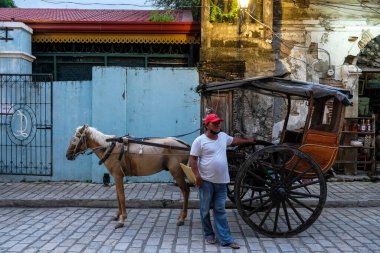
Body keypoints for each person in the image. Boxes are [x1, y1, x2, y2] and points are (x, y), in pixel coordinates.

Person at [189, 113, 255, 249]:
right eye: (214, 123)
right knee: (205, 209)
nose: (218, 125)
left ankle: (226, 239)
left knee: (220, 210)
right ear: (207, 125)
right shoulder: (199, 141)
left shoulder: (223, 137)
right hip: (206, 182)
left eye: (219, 122)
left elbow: (235, 141)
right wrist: (197, 176)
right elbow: (193, 160)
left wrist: (248, 140)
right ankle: (209, 233)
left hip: (222, 182)